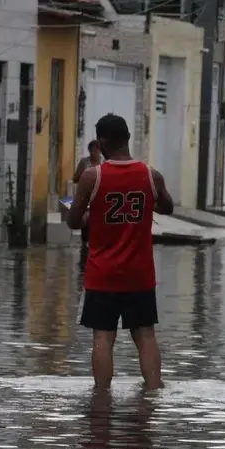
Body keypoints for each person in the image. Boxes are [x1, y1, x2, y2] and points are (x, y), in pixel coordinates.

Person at [67, 113, 175, 390]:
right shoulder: (151, 175)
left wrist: (90, 214)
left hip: (103, 274)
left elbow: (74, 222)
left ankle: (101, 397)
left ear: (102, 142)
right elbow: (167, 206)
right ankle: (153, 392)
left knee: (103, 338)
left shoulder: (93, 176)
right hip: (139, 274)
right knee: (146, 335)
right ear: (127, 138)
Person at [73, 140, 103, 245]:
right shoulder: (84, 162)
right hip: (86, 196)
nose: (94, 153)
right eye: (92, 150)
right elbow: (75, 178)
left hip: (100, 196)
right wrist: (84, 178)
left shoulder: (104, 162)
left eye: (96, 150)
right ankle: (85, 246)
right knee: (86, 221)